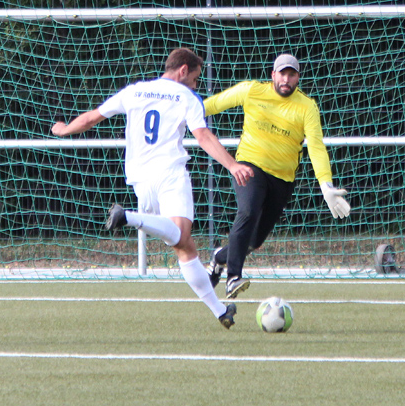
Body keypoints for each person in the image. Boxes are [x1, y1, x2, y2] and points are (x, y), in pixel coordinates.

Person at [51, 47, 253, 329]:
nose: (196, 85)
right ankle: (128, 217)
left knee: (184, 246)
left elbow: (93, 117)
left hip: (139, 178)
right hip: (169, 173)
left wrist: (65, 129)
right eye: (195, 79)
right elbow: (203, 136)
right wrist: (232, 165)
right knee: (182, 236)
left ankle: (221, 311)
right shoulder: (187, 97)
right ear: (183, 71)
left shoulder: (135, 91)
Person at [203, 53, 351, 298]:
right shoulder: (251, 90)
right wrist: (177, 113)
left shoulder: (307, 106)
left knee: (254, 241)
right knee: (247, 211)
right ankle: (233, 278)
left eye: (292, 74)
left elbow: (315, 146)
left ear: (298, 78)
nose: (286, 79)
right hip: (249, 166)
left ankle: (219, 258)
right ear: (273, 75)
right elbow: (210, 105)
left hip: (282, 179)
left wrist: (326, 184)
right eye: (282, 73)